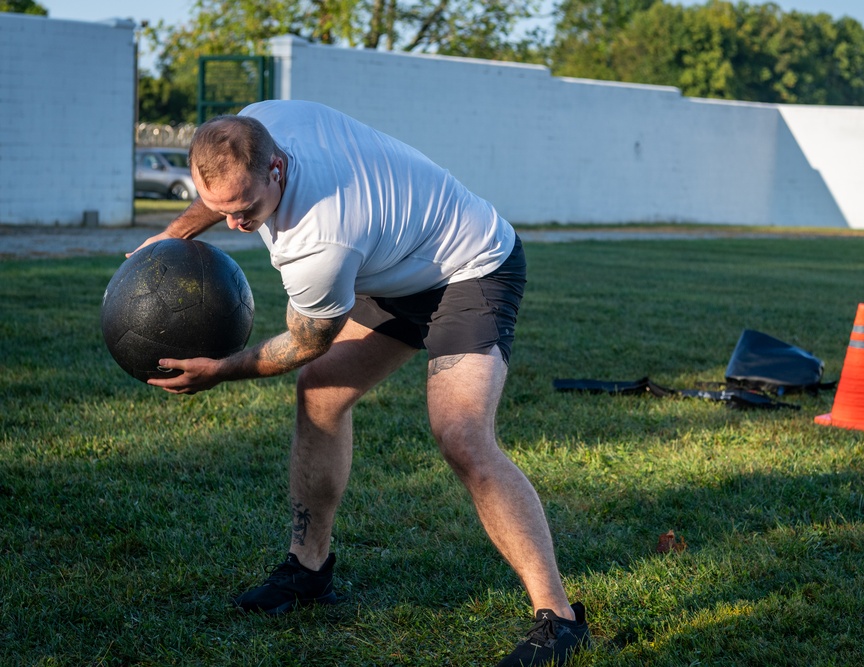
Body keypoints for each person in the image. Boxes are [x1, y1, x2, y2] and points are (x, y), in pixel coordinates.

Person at [132, 99, 588, 667]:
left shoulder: (319, 241)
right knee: (321, 393)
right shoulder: (258, 123)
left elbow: (305, 344)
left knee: (462, 435)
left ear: (276, 169)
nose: (234, 225)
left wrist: (221, 371)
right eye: (221, 209)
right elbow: (221, 190)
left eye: (246, 210)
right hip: (393, 263)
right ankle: (308, 569)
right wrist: (172, 238)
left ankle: (561, 619)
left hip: (470, 268)